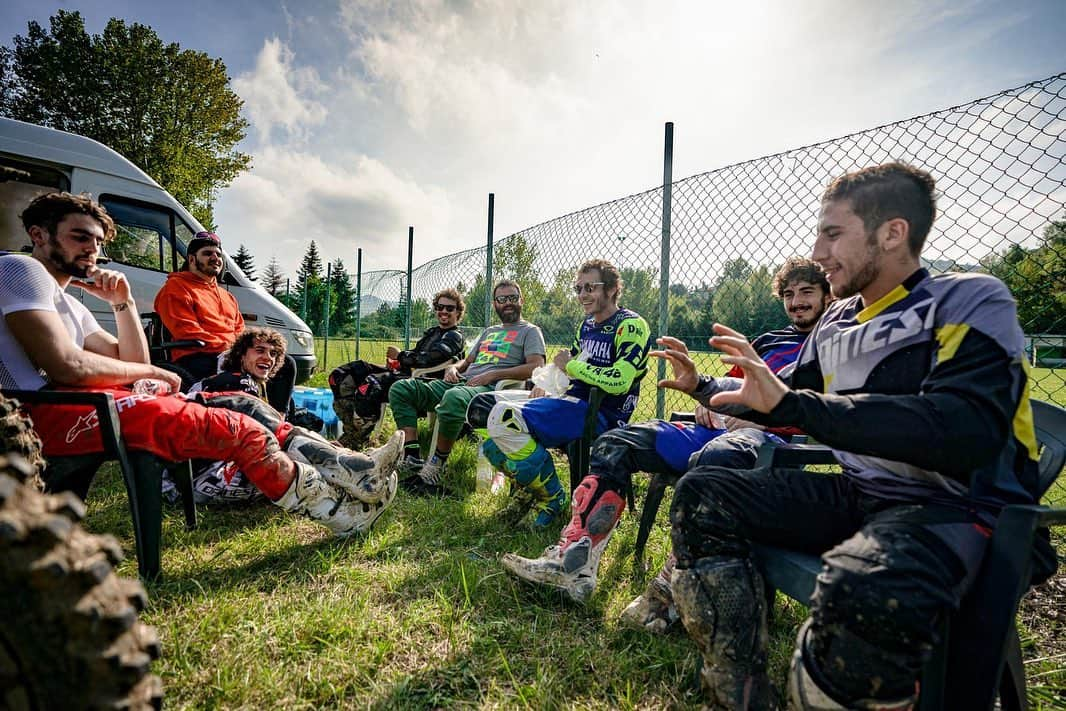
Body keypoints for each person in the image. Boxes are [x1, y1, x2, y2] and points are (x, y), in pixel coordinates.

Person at [655, 163, 1040, 709]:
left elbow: (965, 430)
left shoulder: (969, 299)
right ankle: (739, 692)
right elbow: (782, 395)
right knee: (703, 493)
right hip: (866, 498)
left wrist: (796, 405)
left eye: (833, 233)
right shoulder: (835, 323)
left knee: (855, 593)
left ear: (892, 232)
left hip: (961, 509)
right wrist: (705, 385)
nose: (817, 251)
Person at [1, 192, 404, 537]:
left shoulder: (70, 302)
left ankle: (354, 469)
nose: (92, 248)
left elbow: (134, 359)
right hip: (49, 414)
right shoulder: (22, 269)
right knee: (242, 430)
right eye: (79, 237)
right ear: (38, 234)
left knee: (241, 406)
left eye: (97, 240)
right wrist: (154, 373)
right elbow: (66, 366)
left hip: (93, 404)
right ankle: (339, 514)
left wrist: (122, 303)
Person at [499, 257, 829, 601]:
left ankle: (671, 591)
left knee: (715, 457)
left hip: (773, 441)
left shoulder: (833, 342)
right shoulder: (767, 342)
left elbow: (824, 408)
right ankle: (573, 565)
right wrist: (706, 400)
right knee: (615, 442)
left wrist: (760, 418)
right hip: (717, 429)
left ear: (827, 295)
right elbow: (727, 389)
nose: (796, 301)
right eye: (789, 294)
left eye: (807, 292)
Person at [467, 259, 651, 528]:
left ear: (611, 289)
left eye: (590, 288)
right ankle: (531, 489)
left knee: (503, 417)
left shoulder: (630, 325)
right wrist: (551, 382)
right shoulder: (587, 325)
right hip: (568, 403)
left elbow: (620, 381)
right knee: (482, 410)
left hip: (599, 414)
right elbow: (567, 370)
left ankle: (553, 499)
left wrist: (571, 366)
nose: (582, 295)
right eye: (578, 288)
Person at [389, 280, 546, 496]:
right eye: (502, 299)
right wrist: (453, 368)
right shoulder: (489, 331)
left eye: (512, 298)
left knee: (453, 398)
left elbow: (536, 366)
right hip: (462, 381)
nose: (507, 303)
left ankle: (436, 465)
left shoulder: (530, 331)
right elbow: (467, 362)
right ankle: (413, 455)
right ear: (495, 304)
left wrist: (493, 374)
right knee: (401, 389)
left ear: (521, 300)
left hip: (491, 389)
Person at [154, 231, 298, 414]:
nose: (215, 258)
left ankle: (279, 420)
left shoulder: (227, 296)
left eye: (218, 254)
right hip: (197, 355)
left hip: (230, 352)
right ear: (191, 259)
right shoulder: (175, 289)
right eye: (207, 253)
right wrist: (234, 348)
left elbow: (240, 330)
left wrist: (244, 348)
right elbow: (187, 331)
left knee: (286, 364)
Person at [162, 327, 289, 505]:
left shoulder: (232, 379)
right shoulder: (242, 382)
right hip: (191, 479)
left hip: (176, 475)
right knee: (292, 470)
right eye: (259, 350)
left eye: (273, 354)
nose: (268, 358)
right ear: (241, 356)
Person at [329, 288, 466, 450]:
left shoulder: (454, 336)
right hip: (405, 374)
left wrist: (400, 355)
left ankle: (357, 439)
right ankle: (352, 430)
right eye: (439, 307)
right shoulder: (433, 333)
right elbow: (416, 357)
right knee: (342, 375)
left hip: (424, 384)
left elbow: (430, 359)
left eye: (449, 308)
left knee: (371, 384)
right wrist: (398, 363)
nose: (443, 311)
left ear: (458, 312)